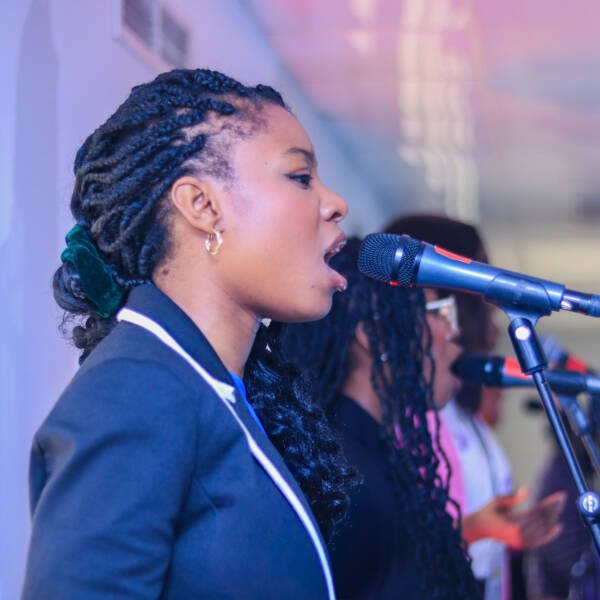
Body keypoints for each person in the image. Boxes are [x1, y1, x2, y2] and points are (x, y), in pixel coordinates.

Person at [22, 68, 356, 599]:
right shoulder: (136, 390)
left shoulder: (214, 386)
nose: (334, 202)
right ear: (202, 206)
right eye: (300, 177)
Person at [282, 237, 482, 599]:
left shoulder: (373, 455)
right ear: (373, 335)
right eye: (436, 311)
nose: (453, 332)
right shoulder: (344, 476)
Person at [384, 213, 565, 600]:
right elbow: (393, 548)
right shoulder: (404, 416)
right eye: (477, 277)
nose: (490, 301)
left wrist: (504, 530)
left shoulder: (463, 414)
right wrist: (476, 529)